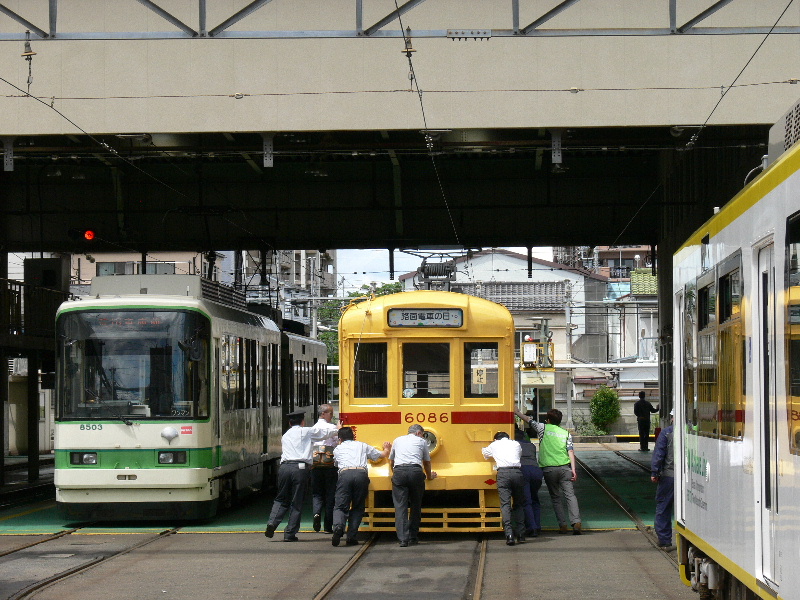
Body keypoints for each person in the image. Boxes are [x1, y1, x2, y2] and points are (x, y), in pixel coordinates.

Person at [264, 409, 338, 541]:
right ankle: (290, 533)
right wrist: (337, 429)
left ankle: (272, 523)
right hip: (300, 468)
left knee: (281, 498)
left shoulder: (285, 435)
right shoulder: (306, 432)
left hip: (284, 467)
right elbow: (323, 433)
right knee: (296, 501)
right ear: (303, 421)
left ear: (290, 423)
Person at [515, 407, 582, 535]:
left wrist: (517, 412)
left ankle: (563, 525)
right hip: (565, 468)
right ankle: (576, 522)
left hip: (549, 469)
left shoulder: (543, 428)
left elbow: (529, 420)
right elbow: (571, 451)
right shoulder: (565, 433)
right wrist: (573, 469)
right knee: (570, 496)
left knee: (556, 497)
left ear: (548, 420)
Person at [330, 427, 391, 547]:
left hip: (345, 474)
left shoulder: (338, 449)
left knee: (340, 506)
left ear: (340, 439)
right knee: (358, 507)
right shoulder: (362, 445)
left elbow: (336, 463)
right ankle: (351, 537)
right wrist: (387, 449)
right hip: (361, 475)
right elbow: (381, 455)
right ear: (353, 436)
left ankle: (338, 527)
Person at [389, 424, 437, 547]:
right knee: (416, 505)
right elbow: (426, 462)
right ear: (418, 433)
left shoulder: (397, 440)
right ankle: (413, 536)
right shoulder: (421, 442)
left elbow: (392, 460)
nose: (422, 436)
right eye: (422, 434)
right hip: (415, 472)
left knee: (400, 507)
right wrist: (429, 475)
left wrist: (396, 474)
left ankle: (403, 539)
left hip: (399, 471)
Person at [482, 431, 526, 546]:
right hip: (517, 473)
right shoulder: (516, 444)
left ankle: (509, 535)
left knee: (506, 504)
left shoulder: (494, 444)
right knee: (519, 504)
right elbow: (518, 455)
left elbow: (485, 454)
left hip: (503, 474)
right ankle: (521, 535)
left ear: (496, 439)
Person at [311, 404, 338, 533]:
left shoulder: (313, 428)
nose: (332, 416)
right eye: (330, 413)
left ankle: (316, 513)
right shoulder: (333, 428)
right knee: (330, 494)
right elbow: (338, 442)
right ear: (323, 414)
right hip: (329, 464)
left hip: (316, 464)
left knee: (317, 493)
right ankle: (328, 526)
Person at [651, 409, 675, 550]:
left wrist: (655, 472)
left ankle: (665, 540)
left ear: (672, 417)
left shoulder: (666, 433)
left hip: (669, 476)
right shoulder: (692, 431)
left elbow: (659, 454)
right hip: (689, 477)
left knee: (663, 507)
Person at [514, 427, 544, 537]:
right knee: (535, 499)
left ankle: (532, 527)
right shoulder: (531, 445)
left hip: (523, 471)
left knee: (526, 501)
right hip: (536, 471)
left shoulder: (514, 445)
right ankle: (537, 525)